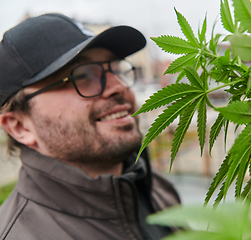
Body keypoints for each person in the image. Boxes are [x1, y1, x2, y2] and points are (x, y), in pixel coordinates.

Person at [0, 13, 180, 240]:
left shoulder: (153, 183)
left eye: (114, 68)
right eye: (81, 75)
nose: (118, 86)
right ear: (19, 127)